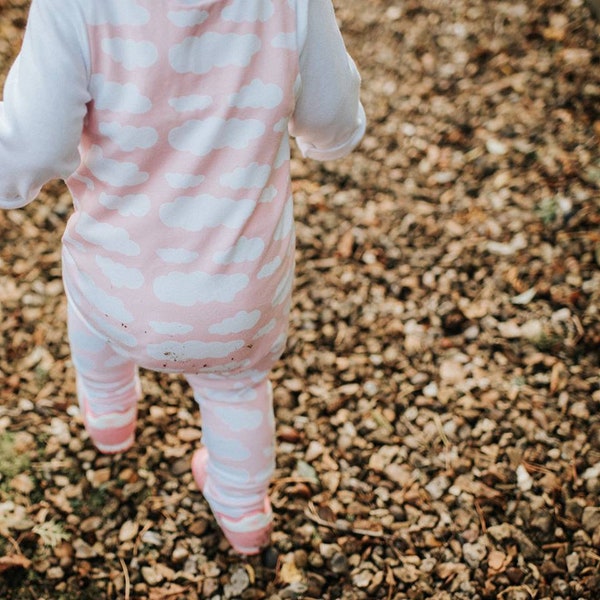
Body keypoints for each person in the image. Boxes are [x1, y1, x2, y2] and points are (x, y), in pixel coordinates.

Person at [0, 0, 365, 555]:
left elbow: (32, 143)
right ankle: (243, 513)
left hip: (117, 281)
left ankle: (110, 418)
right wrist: (331, 141)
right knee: (237, 390)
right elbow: (330, 108)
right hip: (240, 293)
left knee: (88, 302)